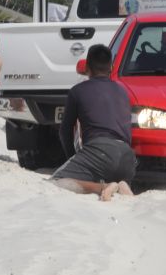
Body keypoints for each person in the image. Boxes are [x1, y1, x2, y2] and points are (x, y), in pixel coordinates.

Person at [51, 44, 136, 201]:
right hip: (127, 157)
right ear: (111, 67)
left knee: (56, 182)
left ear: (87, 67)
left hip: (99, 152)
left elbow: (65, 131)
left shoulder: (77, 91)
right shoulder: (123, 92)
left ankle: (103, 188)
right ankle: (122, 184)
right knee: (106, 171)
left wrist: (73, 157)